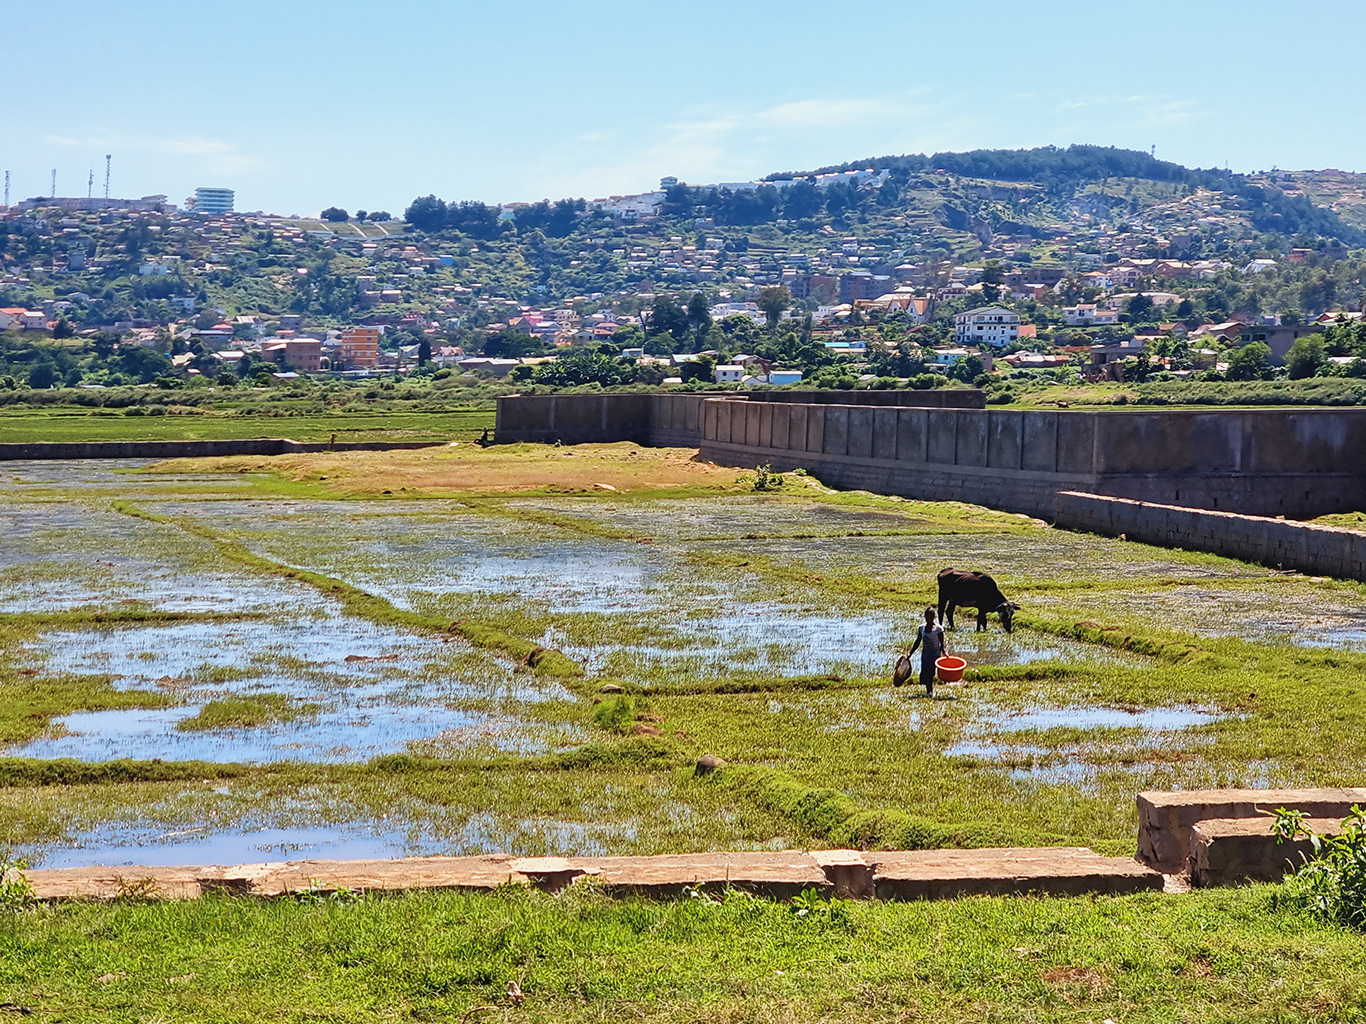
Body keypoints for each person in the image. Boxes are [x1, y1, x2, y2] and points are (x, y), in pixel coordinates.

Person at [907, 606, 947, 697]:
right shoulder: (921, 628)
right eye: (927, 617)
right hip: (925, 655)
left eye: (930, 617)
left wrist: (945, 652)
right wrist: (910, 653)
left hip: (935, 654)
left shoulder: (938, 629)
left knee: (930, 673)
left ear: (934, 617)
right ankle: (929, 691)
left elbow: (942, 643)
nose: (928, 619)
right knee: (925, 674)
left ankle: (930, 692)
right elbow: (917, 642)